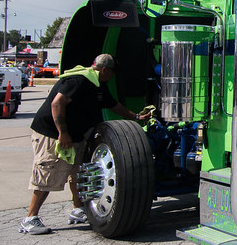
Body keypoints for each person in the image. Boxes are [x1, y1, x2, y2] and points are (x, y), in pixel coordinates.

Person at [20, 53, 151, 234]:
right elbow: (57, 104)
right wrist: (63, 133)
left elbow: (114, 106)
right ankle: (30, 218)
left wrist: (136, 117)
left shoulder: (98, 85)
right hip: (51, 134)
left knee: (77, 172)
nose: (112, 76)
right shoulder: (79, 81)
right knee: (47, 174)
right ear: (104, 70)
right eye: (112, 73)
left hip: (76, 136)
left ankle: (77, 210)